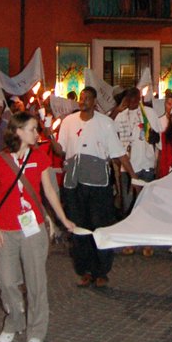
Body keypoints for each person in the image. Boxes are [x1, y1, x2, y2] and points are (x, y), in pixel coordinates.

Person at [0, 111, 75, 342]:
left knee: (36, 281)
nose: (37, 133)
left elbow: (49, 192)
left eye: (37, 129)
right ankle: (15, 320)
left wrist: (62, 219)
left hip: (33, 228)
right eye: (32, 129)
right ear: (18, 131)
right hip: (6, 228)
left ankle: (36, 327)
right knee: (6, 281)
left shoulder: (40, 157)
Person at [56, 87, 135, 287]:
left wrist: (133, 176)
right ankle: (85, 270)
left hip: (99, 185)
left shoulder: (105, 123)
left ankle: (101, 270)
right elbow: (60, 149)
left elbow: (119, 154)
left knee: (100, 226)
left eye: (87, 98)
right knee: (79, 228)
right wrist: (50, 138)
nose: (83, 101)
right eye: (81, 98)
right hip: (75, 184)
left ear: (94, 101)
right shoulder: (68, 122)